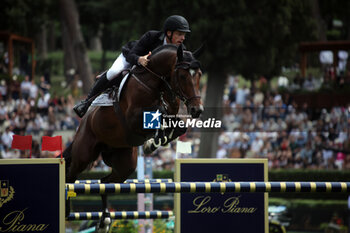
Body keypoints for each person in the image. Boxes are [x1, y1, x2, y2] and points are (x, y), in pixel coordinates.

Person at [73, 15, 191, 117]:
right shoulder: (152, 36)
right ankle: (86, 103)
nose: (183, 38)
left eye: (184, 35)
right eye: (179, 34)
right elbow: (131, 55)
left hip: (150, 75)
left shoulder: (181, 50)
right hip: (130, 57)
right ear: (169, 33)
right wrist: (139, 59)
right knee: (114, 72)